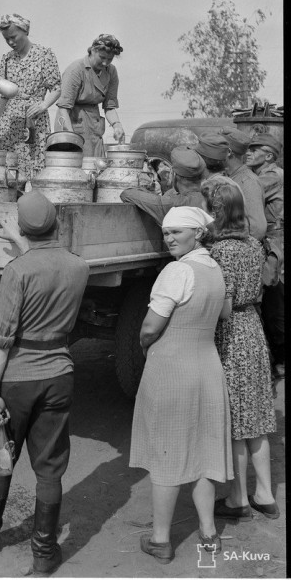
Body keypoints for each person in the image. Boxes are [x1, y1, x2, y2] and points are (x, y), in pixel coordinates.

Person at [0, 190, 89, 575]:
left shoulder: (17, 271)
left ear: (22, 229)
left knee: (1, 456)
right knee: (50, 468)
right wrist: (24, 243)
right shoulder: (79, 267)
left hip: (18, 378)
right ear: (56, 223)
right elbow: (49, 263)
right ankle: (44, 551)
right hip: (59, 373)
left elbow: (2, 337)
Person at [129, 206, 233, 564]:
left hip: (173, 368)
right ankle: (209, 532)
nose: (169, 238)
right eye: (166, 232)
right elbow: (224, 313)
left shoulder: (177, 270)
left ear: (198, 234)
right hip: (207, 366)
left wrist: (146, 345)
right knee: (204, 449)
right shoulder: (214, 268)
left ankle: (160, 539)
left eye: (177, 232)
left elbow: (150, 326)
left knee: (167, 451)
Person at [202, 178, 279, 521]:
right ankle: (265, 493)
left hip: (231, 335)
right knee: (256, 420)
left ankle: (238, 499)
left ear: (216, 211)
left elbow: (224, 308)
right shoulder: (252, 244)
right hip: (253, 330)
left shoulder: (221, 251)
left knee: (235, 422)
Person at [0, 14, 61, 181]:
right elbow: (4, 96)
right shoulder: (7, 59)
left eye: (13, 37)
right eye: (6, 39)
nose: (10, 42)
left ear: (25, 31)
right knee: (9, 172)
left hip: (34, 119)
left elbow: (56, 88)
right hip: (10, 122)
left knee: (36, 170)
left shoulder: (44, 54)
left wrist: (44, 105)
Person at [245, 133, 285, 379]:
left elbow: (244, 193)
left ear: (269, 155)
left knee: (273, 300)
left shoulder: (271, 176)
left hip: (274, 241)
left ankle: (280, 359)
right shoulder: (260, 175)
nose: (248, 153)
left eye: (254, 149)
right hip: (267, 239)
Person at [55, 34, 125, 157]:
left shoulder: (111, 71)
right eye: (102, 57)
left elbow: (109, 106)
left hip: (94, 125)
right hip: (70, 122)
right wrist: (71, 138)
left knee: (97, 163)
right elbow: (63, 109)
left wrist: (117, 125)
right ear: (93, 50)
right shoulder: (76, 70)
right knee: (74, 161)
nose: (105, 62)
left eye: (110, 59)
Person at [120, 146, 205, 225]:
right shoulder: (209, 195)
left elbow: (127, 194)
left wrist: (147, 192)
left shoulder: (174, 203)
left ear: (173, 174)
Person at [219, 128, 267, 241]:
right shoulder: (228, 176)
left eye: (217, 148)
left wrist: (237, 248)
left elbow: (257, 229)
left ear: (229, 152)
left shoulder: (248, 182)